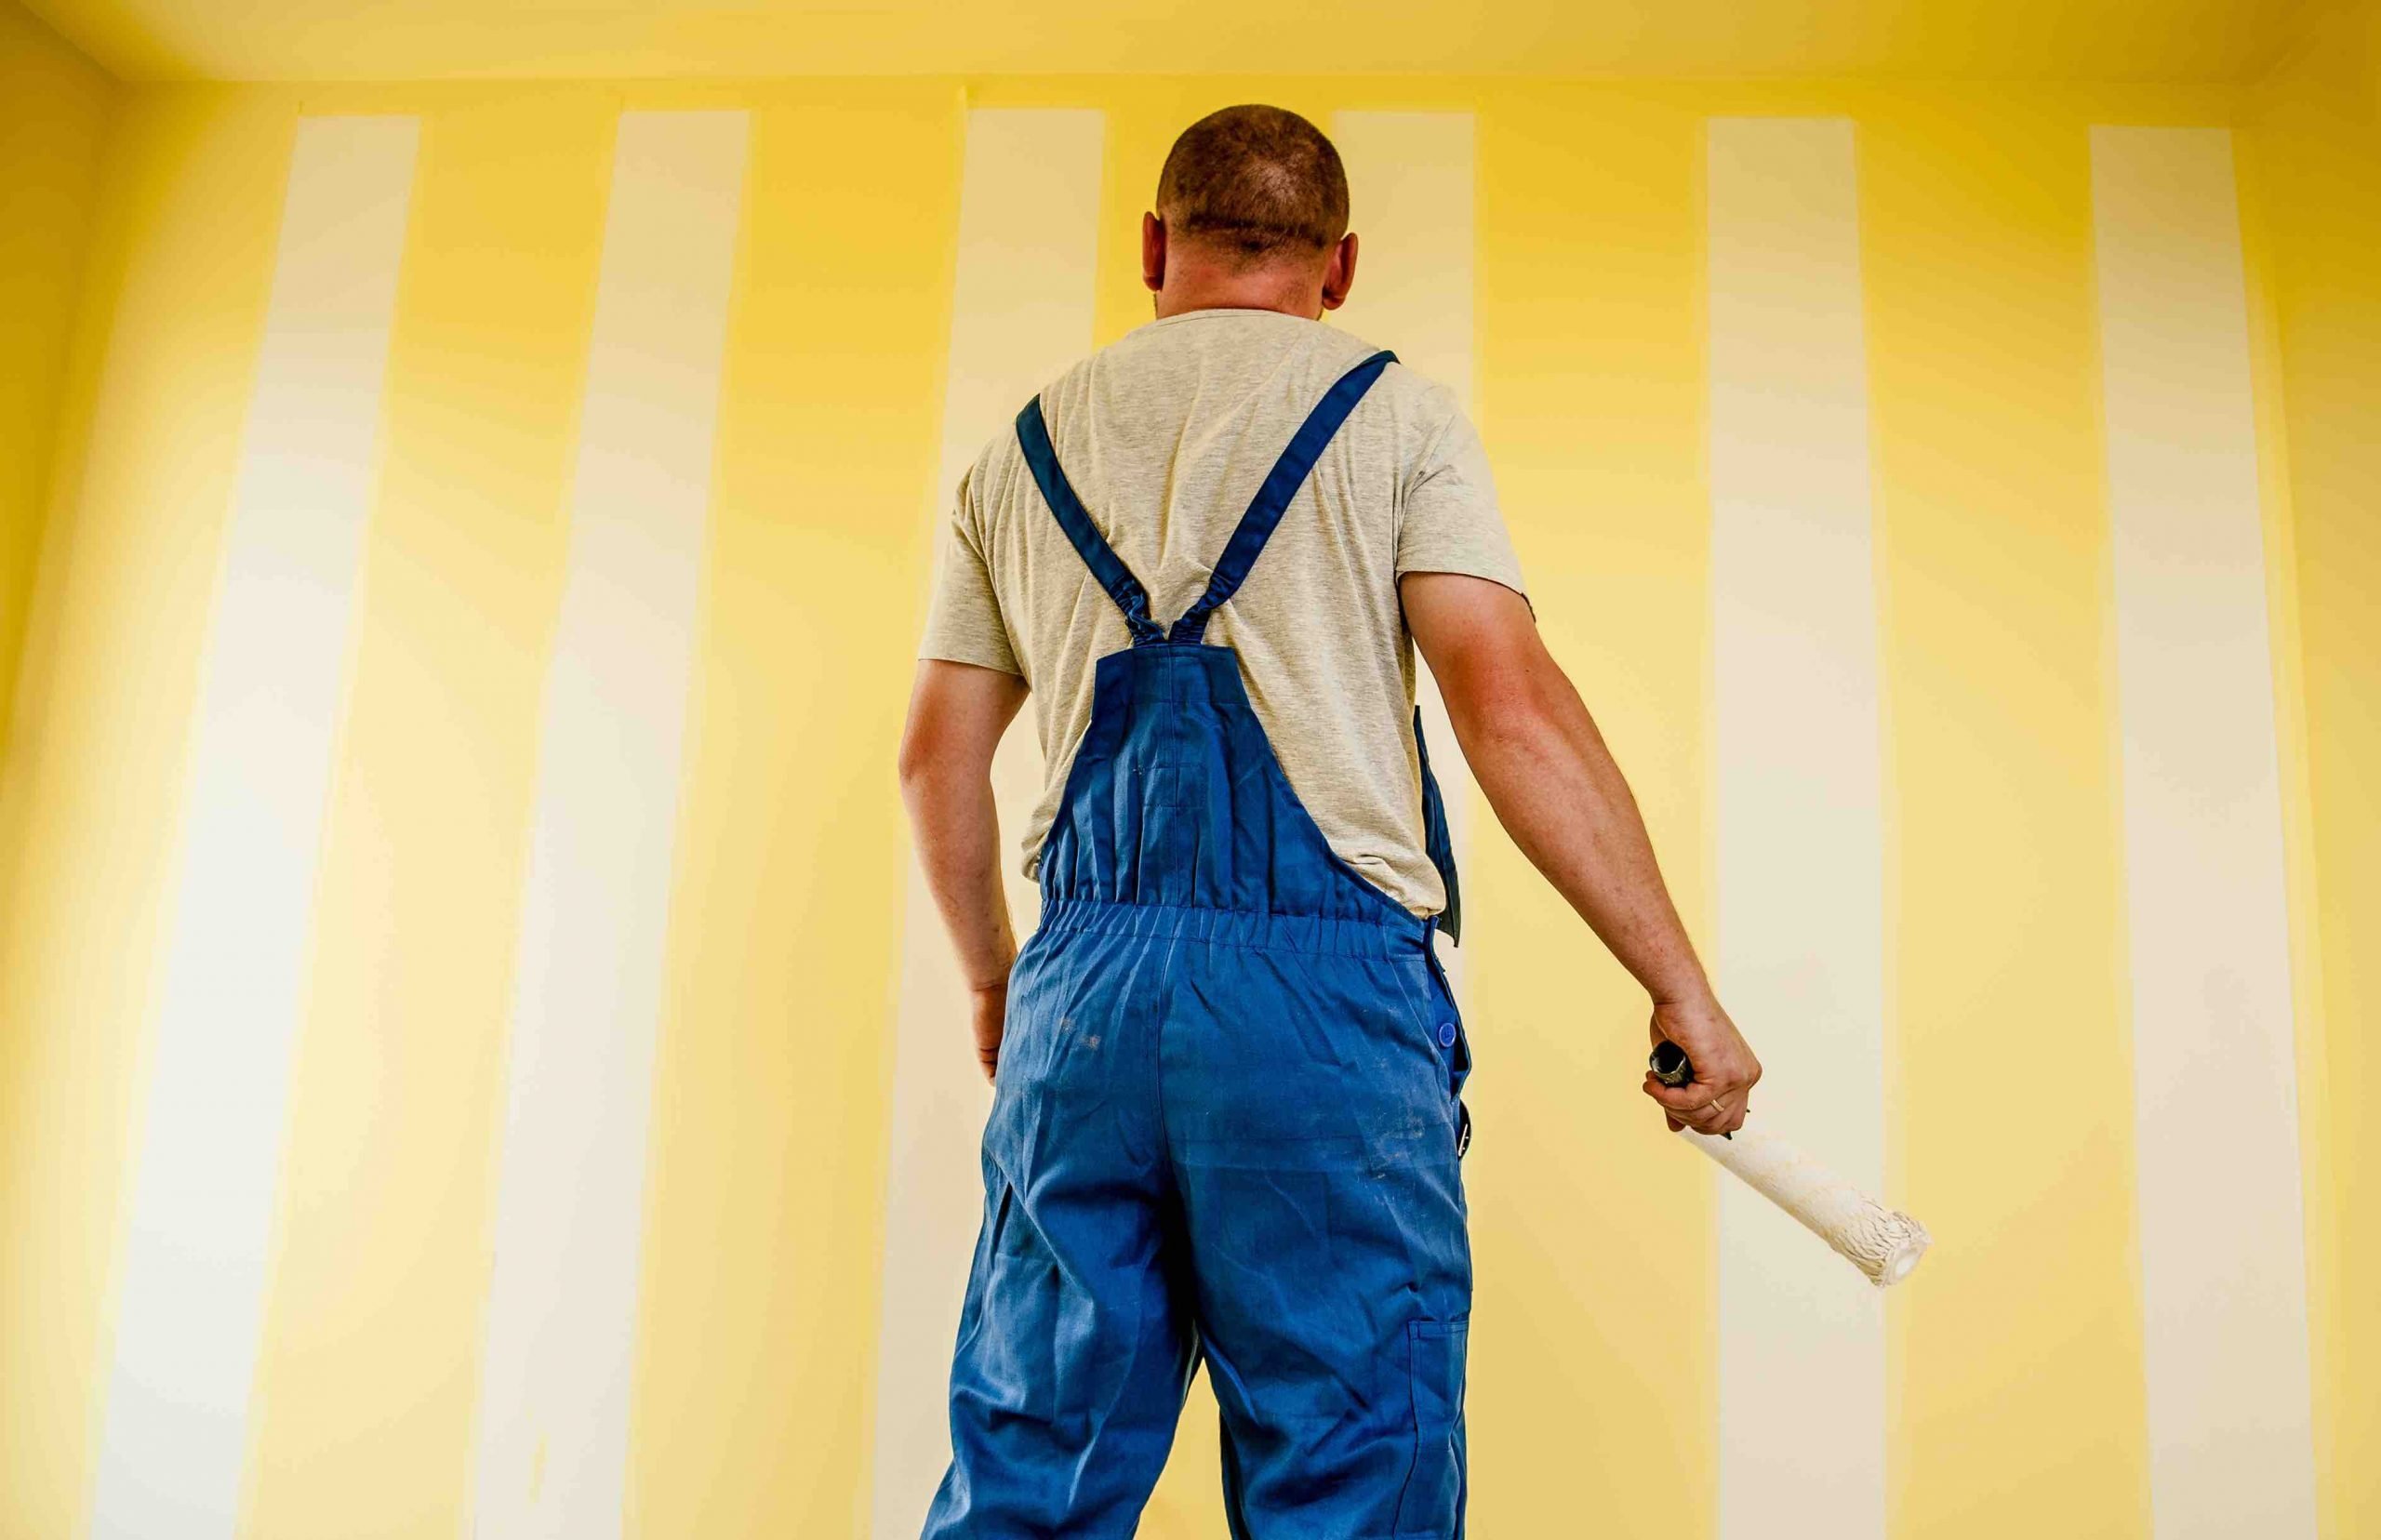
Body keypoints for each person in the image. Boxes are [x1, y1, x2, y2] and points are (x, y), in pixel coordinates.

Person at [898, 102, 1759, 1539]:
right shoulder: (1394, 419)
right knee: (1353, 1481)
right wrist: (1680, 988)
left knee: (1029, 1480)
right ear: (1339, 266)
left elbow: (937, 759)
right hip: (1319, 1010)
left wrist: (1002, 983)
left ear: (1156, 245)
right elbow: (1513, 713)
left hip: (1081, 1009)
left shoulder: (1020, 450)